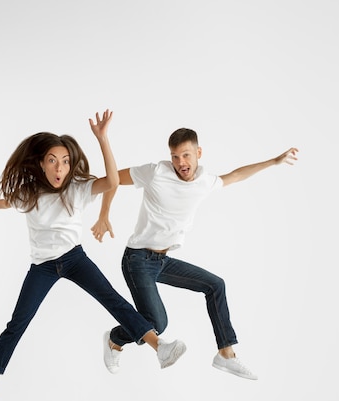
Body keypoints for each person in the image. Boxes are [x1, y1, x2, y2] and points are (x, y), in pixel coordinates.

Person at [0, 111, 186, 401]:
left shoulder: (78, 188)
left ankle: (160, 347)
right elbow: (5, 202)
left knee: (114, 301)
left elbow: (113, 180)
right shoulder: (30, 194)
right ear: (41, 164)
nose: (59, 167)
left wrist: (102, 139)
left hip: (75, 259)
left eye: (64, 161)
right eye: (52, 160)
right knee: (17, 324)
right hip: (43, 267)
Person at [91, 127, 298, 379]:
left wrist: (274, 161)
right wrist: (103, 215)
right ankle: (114, 339)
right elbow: (112, 179)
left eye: (186, 155)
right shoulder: (156, 172)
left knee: (215, 285)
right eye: (175, 156)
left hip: (162, 260)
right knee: (157, 323)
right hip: (137, 259)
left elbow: (237, 174)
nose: (180, 162)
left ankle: (226, 354)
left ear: (198, 153)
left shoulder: (205, 181)